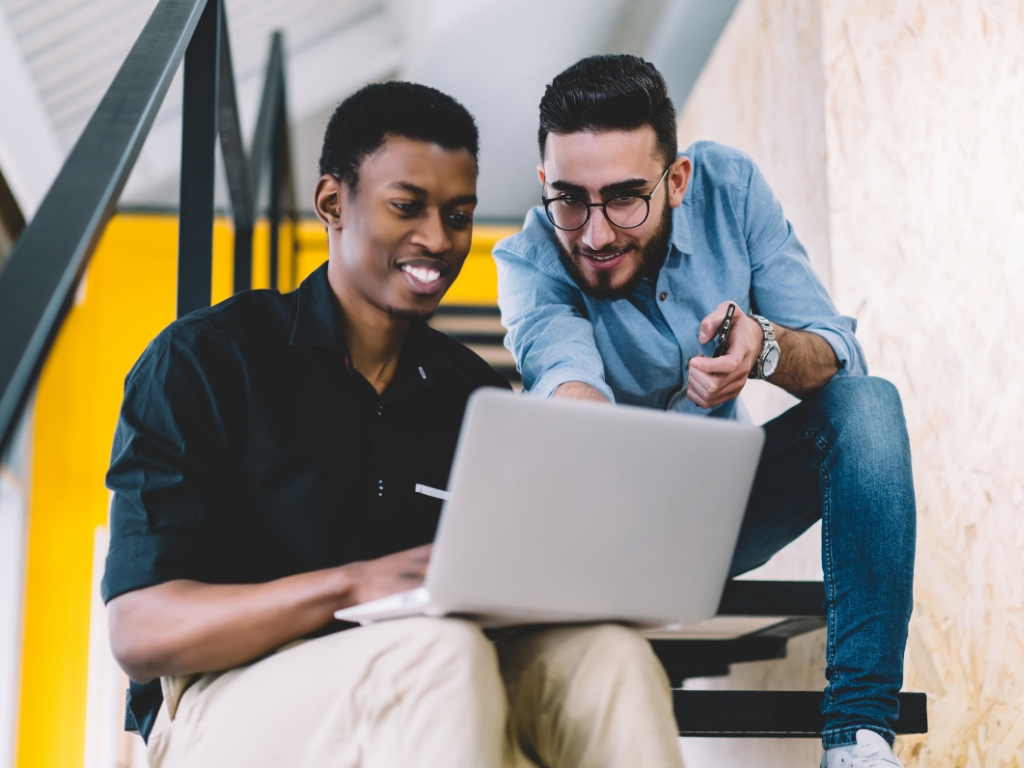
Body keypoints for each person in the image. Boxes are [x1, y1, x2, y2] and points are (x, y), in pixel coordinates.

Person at [102, 81, 686, 768]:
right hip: (219, 703)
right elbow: (139, 630)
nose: (438, 240)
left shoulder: (473, 395)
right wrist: (350, 586)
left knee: (610, 659)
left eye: (459, 213)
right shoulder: (204, 360)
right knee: (438, 654)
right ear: (332, 204)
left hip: (438, 674)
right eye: (406, 206)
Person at [494, 55, 916, 768]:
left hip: (723, 515)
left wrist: (766, 349)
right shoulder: (530, 260)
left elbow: (841, 353)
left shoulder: (731, 190)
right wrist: (582, 419)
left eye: (626, 197)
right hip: (607, 539)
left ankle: (858, 740)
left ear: (678, 180)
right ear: (544, 184)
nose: (595, 235)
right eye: (569, 199)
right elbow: (566, 377)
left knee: (866, 405)